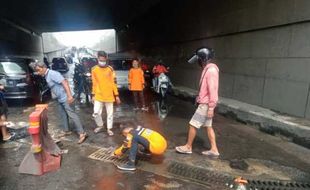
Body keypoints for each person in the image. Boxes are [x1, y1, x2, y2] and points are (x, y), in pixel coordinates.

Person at [175, 47, 220, 157]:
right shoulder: (208, 69)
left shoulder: (211, 71)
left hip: (206, 104)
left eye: (199, 60)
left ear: (203, 59)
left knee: (193, 124)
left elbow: (212, 90)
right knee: (208, 127)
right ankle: (214, 149)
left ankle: (188, 147)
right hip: (205, 103)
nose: (198, 62)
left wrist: (211, 107)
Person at [33, 61, 87, 144]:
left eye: (38, 70)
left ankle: (82, 133)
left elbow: (65, 83)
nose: (38, 72)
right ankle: (66, 130)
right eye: (36, 70)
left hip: (66, 97)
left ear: (44, 68)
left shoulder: (53, 74)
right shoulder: (47, 75)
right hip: (60, 98)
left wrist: (69, 96)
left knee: (72, 115)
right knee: (63, 114)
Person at [92, 51, 121, 136]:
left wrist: (117, 95)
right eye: (100, 60)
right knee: (96, 113)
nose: (102, 62)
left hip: (109, 95)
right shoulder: (94, 69)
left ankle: (109, 128)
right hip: (98, 95)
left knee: (110, 113)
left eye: (103, 60)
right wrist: (93, 95)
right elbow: (94, 83)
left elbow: (113, 83)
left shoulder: (110, 69)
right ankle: (100, 125)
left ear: (106, 59)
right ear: (97, 59)